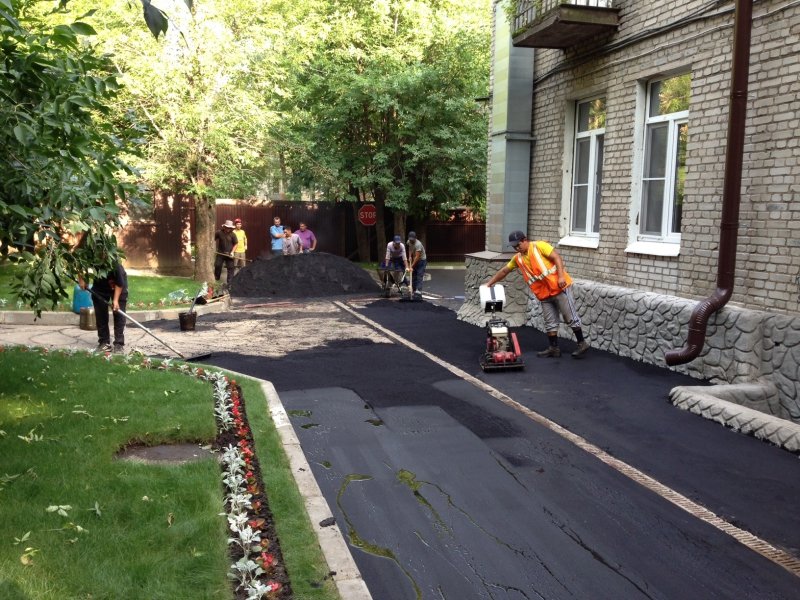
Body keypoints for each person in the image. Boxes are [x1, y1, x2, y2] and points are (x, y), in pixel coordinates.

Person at [485, 230, 589, 358]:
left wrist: (561, 276)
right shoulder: (518, 259)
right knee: (549, 321)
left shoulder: (539, 246)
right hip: (544, 294)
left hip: (559, 287)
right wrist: (489, 283)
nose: (517, 248)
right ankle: (554, 348)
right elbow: (504, 271)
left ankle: (581, 343)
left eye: (518, 245)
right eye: (514, 246)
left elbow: (557, 257)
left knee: (570, 317)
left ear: (525, 240)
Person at [76, 235, 128, 354]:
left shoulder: (114, 262)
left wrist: (115, 301)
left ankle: (119, 344)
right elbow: (79, 264)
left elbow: (120, 283)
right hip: (101, 285)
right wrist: (82, 279)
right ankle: (104, 342)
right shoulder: (91, 256)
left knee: (119, 314)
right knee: (100, 314)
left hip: (118, 285)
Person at [214, 220, 237, 290]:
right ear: (224, 227)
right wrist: (212, 247)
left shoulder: (233, 234)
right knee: (217, 265)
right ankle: (216, 278)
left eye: (229, 228)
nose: (228, 229)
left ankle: (229, 284)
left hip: (229, 254)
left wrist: (232, 252)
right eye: (227, 227)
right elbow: (213, 239)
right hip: (220, 253)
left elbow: (236, 243)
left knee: (230, 268)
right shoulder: (219, 233)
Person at [406, 231, 427, 301]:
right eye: (410, 239)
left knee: (419, 275)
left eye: (413, 239)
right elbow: (410, 249)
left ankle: (418, 292)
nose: (411, 241)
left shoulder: (418, 244)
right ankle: (414, 290)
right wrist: (409, 256)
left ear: (415, 238)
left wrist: (411, 266)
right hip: (415, 259)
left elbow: (417, 257)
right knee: (413, 275)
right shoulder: (409, 242)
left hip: (422, 260)